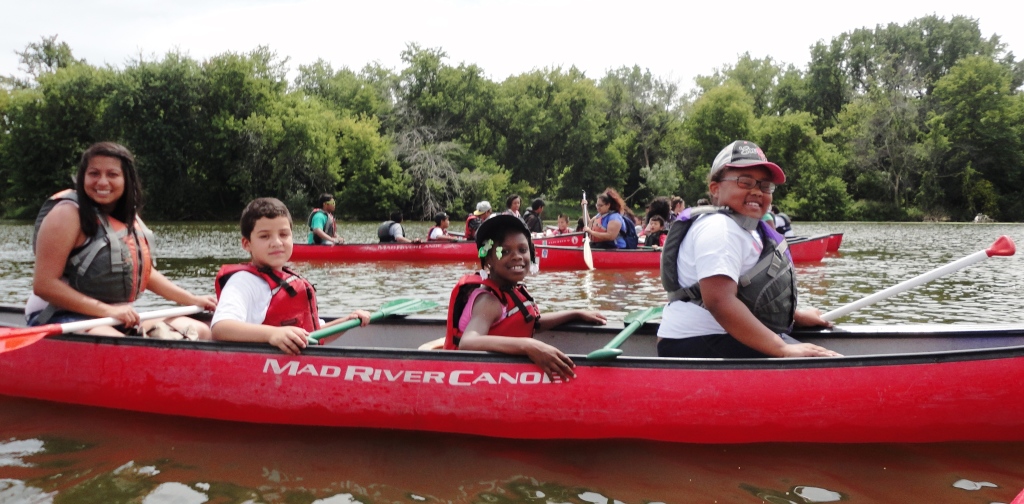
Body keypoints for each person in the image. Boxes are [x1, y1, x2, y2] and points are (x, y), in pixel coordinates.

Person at [657, 140, 839, 359]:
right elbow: (719, 301)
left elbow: (748, 293)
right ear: (715, 188)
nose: (757, 191)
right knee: (828, 365)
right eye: (745, 182)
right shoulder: (719, 228)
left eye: (765, 185)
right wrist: (783, 349)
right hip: (699, 343)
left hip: (723, 337)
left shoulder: (746, 229)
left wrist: (795, 316)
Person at [26, 141, 216, 339]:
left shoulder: (128, 219)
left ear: (127, 179)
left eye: (112, 174)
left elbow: (144, 274)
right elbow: (44, 284)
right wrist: (107, 311)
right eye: (94, 174)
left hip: (111, 317)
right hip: (60, 315)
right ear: (83, 177)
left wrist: (191, 299)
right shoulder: (66, 214)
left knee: (199, 330)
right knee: (114, 340)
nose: (102, 182)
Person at [443, 214, 607, 380]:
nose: (517, 256)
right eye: (504, 251)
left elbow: (532, 322)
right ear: (489, 259)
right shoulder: (489, 301)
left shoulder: (511, 289)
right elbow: (468, 342)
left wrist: (574, 313)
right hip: (474, 375)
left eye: (523, 250)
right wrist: (528, 345)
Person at [211, 197, 371, 354]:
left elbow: (314, 335)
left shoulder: (288, 280)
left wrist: (348, 321)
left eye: (283, 234)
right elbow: (221, 327)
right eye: (264, 236)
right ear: (247, 244)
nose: (277, 242)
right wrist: (272, 334)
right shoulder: (243, 282)